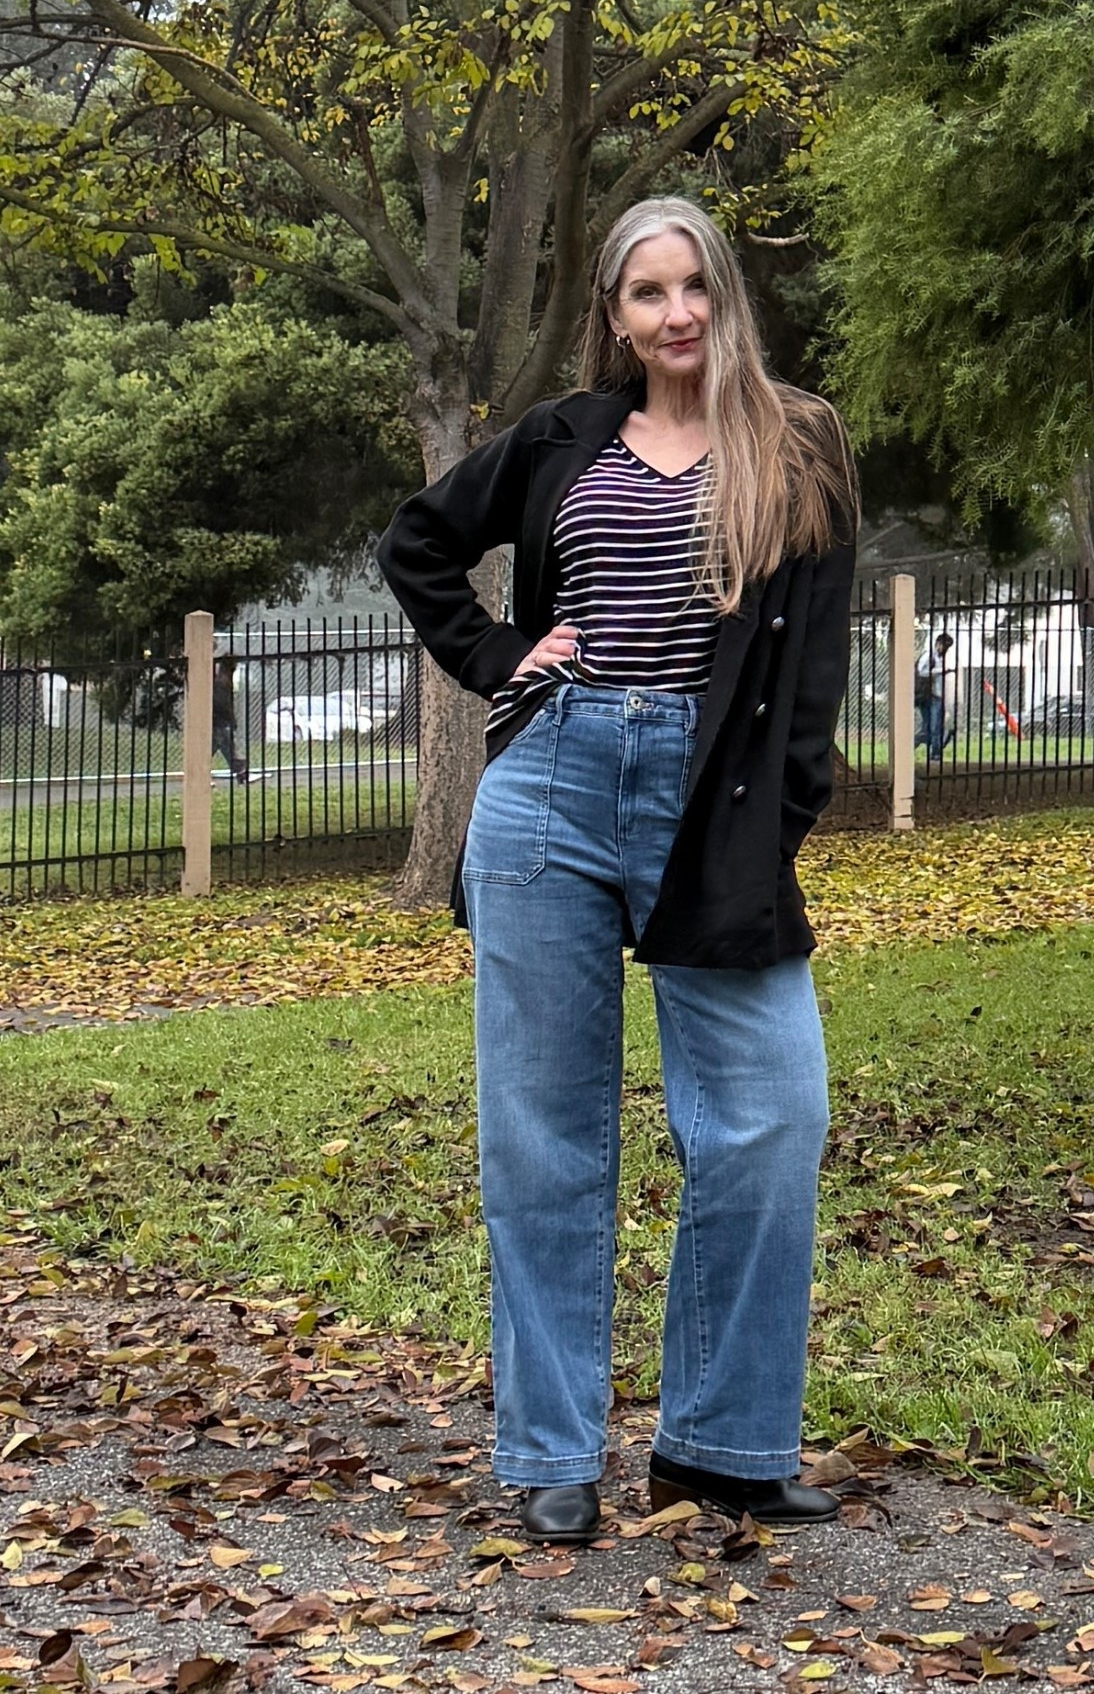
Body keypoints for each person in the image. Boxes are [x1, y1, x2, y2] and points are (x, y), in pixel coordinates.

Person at [376, 197, 858, 1549]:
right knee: (543, 1135)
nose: (676, 314)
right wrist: (495, 658)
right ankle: (549, 1453)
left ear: (726, 293)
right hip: (553, 792)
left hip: (716, 803)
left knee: (770, 1117)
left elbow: (812, 666)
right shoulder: (562, 440)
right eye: (647, 294)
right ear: (615, 314)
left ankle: (721, 1445)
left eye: (694, 284)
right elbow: (418, 544)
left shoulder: (800, 440)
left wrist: (783, 822)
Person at [914, 632, 955, 759]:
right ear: (938, 643)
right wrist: (940, 671)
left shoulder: (939, 658)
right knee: (932, 727)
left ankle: (935, 753)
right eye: (944, 646)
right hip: (927, 695)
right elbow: (922, 672)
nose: (946, 650)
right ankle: (930, 751)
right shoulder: (928, 656)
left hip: (936, 695)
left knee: (934, 726)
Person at [211, 654, 249, 783]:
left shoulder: (224, 681)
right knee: (226, 748)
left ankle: (241, 770)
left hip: (221, 722)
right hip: (220, 721)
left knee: (225, 748)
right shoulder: (222, 682)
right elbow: (222, 703)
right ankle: (241, 770)